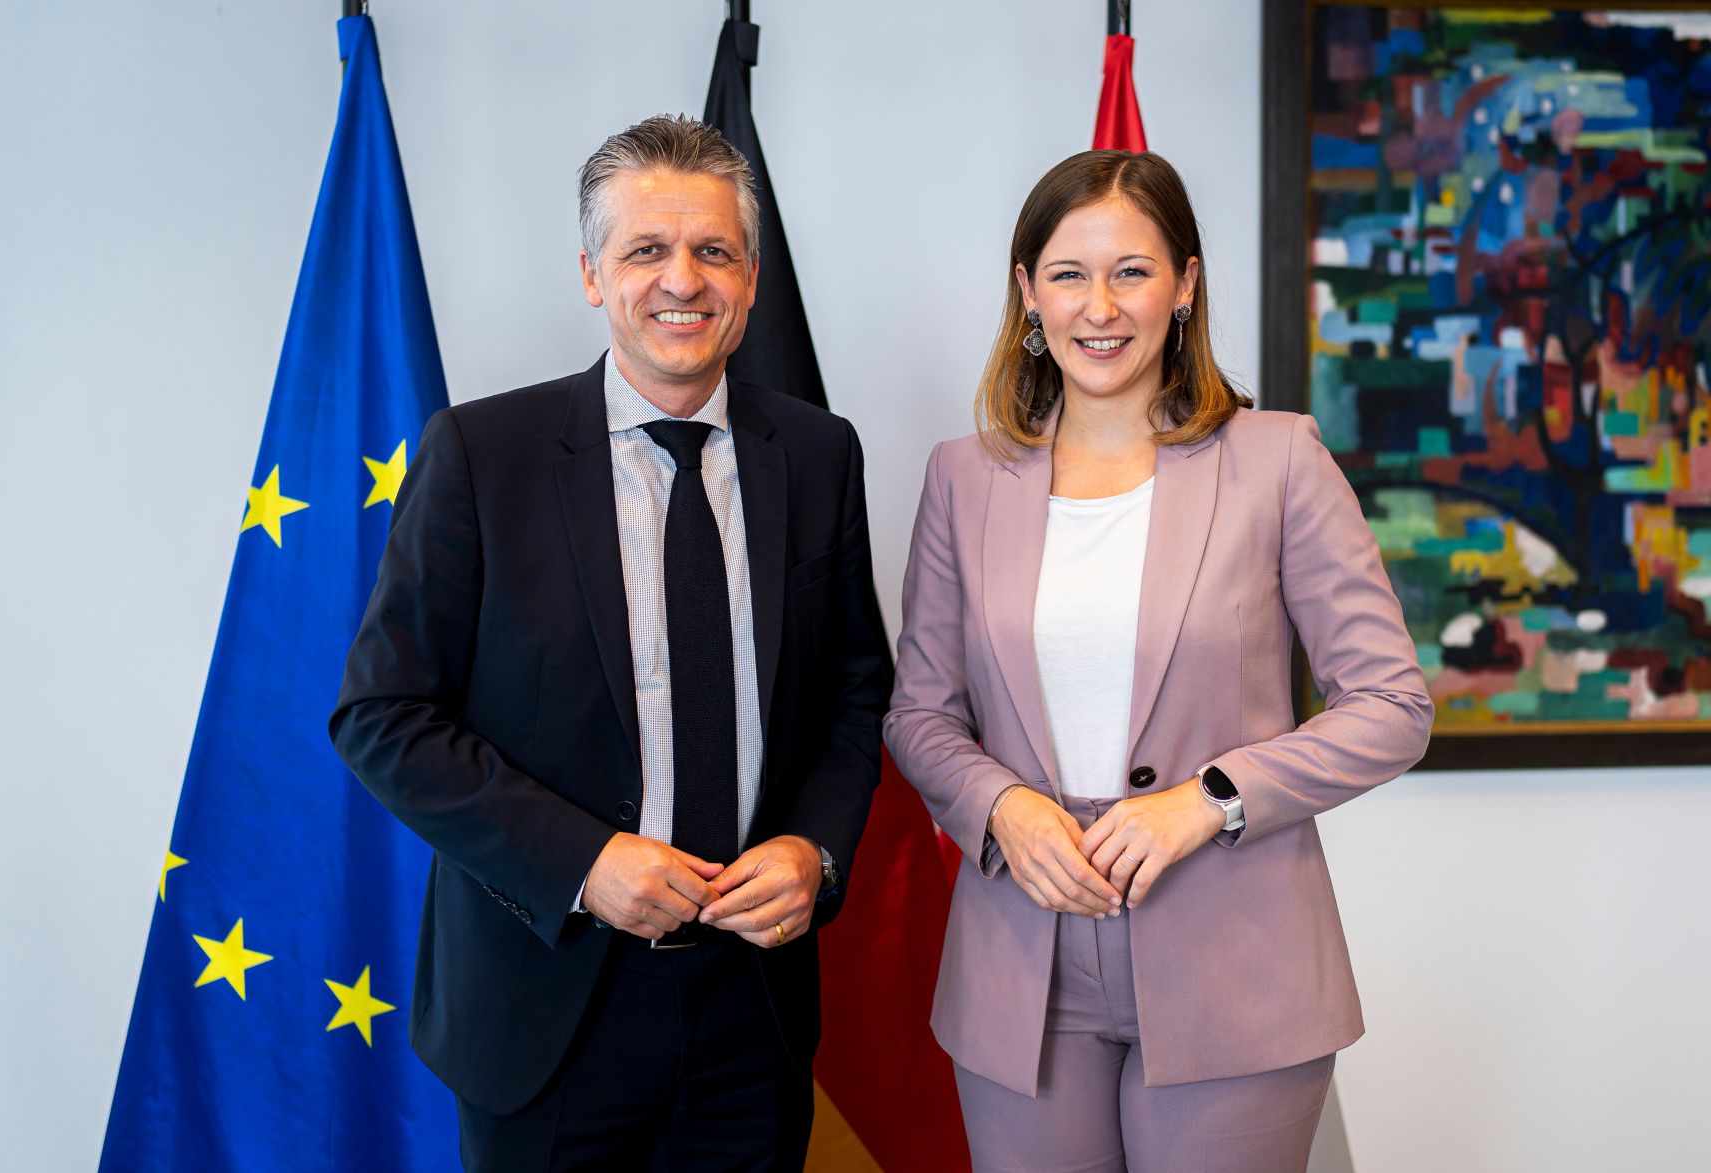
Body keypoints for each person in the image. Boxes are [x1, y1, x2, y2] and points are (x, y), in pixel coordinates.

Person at [331, 114, 891, 1171]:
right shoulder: (479, 455)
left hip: (751, 1012)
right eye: (645, 250)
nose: (681, 279)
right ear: (592, 275)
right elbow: (381, 715)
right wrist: (582, 862)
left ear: (751, 275)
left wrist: (813, 850)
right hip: (543, 1010)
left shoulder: (817, 455)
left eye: (711, 250)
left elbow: (855, 694)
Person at [884, 150, 1433, 1172]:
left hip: (1236, 956)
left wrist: (1208, 798)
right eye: (1067, 273)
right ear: (1025, 292)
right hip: (1022, 961)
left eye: (1131, 271)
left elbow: (1391, 704)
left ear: (1183, 284)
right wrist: (1002, 808)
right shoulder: (963, 479)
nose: (1099, 306)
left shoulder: (1276, 459)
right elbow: (918, 714)